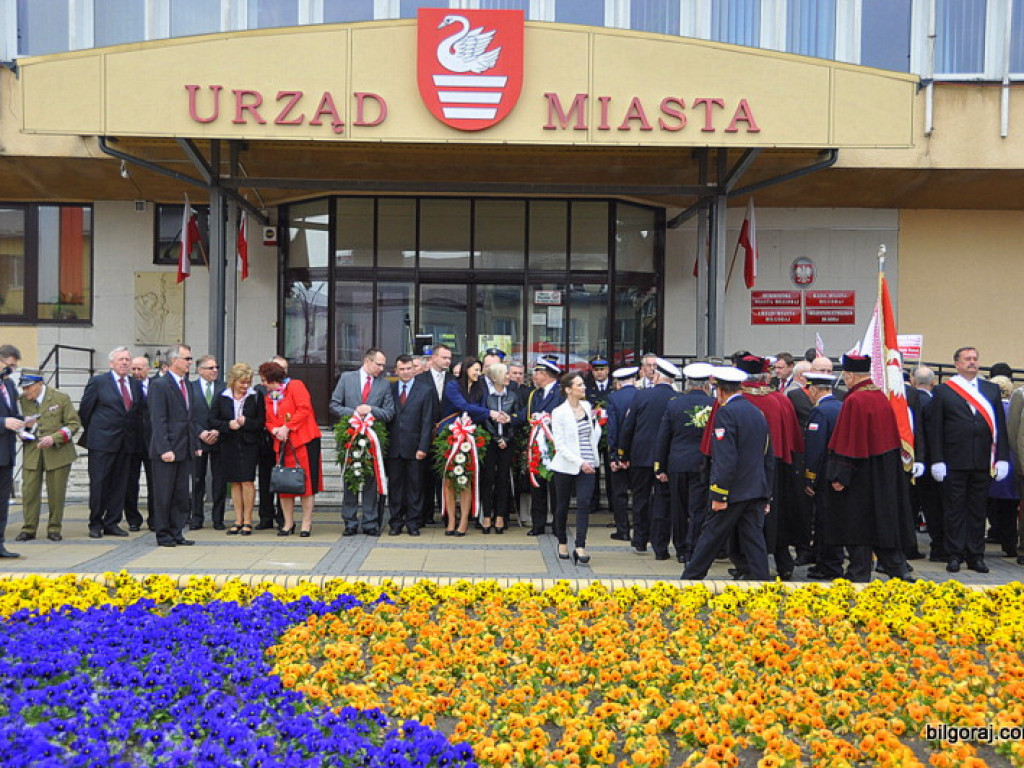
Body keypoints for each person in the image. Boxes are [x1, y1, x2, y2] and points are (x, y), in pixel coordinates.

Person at [824, 353, 915, 582]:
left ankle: (859, 573)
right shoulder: (880, 396)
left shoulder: (855, 400)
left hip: (861, 474)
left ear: (849, 375)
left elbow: (848, 441)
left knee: (858, 525)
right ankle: (897, 571)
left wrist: (839, 476)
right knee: (880, 524)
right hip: (883, 471)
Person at [682, 366, 773, 581]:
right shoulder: (757, 412)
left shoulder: (726, 413)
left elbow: (725, 458)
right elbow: (768, 455)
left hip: (733, 490)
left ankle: (690, 580)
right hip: (755, 488)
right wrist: (767, 492)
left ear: (720, 391)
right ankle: (763, 583)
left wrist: (719, 493)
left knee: (710, 536)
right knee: (754, 540)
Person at [927, 346, 1009, 574]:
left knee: (978, 511)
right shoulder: (944, 391)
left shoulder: (990, 389)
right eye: (967, 359)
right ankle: (954, 554)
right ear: (957, 364)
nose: (972, 362)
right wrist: (937, 460)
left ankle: (976, 555)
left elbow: (1000, 427)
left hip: (982, 461)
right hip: (953, 461)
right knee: (954, 511)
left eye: (975, 358)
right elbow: (935, 428)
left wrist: (1002, 458)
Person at [78, 345, 143, 539]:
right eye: (121, 359)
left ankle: (112, 522)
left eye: (127, 359)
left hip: (126, 443)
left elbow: (136, 413)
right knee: (100, 484)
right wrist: (98, 432)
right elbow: (85, 411)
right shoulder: (98, 382)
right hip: (102, 443)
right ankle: (95, 523)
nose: (125, 363)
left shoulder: (135, 384)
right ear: (111, 363)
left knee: (120, 485)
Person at [330, 348, 395, 536]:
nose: (382, 369)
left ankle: (370, 522)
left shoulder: (384, 384)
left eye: (383, 365)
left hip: (372, 439)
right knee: (350, 480)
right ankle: (350, 521)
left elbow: (389, 413)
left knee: (370, 482)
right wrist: (354, 413)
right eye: (379, 364)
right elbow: (334, 405)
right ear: (368, 361)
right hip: (350, 437)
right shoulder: (346, 378)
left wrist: (371, 409)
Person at [620, 358, 680, 559]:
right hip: (667, 458)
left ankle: (640, 539)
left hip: (641, 455)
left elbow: (628, 426)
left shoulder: (642, 395)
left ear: (657, 376)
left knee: (640, 499)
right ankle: (660, 544)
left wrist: (623, 452)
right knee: (663, 502)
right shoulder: (677, 398)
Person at [654, 362, 714, 564]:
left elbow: (663, 437)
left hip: (677, 463)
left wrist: (660, 466)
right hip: (703, 463)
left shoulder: (674, 404)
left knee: (678, 508)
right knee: (698, 509)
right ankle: (693, 548)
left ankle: (680, 548)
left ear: (688, 383)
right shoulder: (714, 404)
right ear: (707, 384)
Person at [440, 357, 506, 535]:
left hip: (471, 435)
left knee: (467, 479)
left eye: (479, 370)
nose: (478, 373)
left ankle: (463, 521)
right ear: (466, 369)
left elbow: (478, 414)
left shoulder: (480, 388)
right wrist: (489, 412)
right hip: (451, 435)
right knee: (450, 479)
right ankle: (451, 520)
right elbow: (462, 405)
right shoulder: (452, 386)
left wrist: (486, 413)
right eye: (475, 369)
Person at [15, 371, 80, 542]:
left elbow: (73, 424)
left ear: (39, 384)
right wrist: (24, 430)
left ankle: (54, 528)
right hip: (33, 451)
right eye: (23, 388)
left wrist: (54, 438)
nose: (25, 391)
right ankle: (29, 528)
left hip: (58, 453)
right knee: (29, 492)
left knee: (56, 493)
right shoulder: (22, 401)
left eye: (28, 387)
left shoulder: (60, 398)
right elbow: (19, 425)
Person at [263, 361, 324, 536]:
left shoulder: (295, 386)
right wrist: (275, 430)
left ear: (272, 379)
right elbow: (269, 419)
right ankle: (288, 523)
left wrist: (287, 427)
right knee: (284, 484)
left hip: (304, 441)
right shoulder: (270, 397)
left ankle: (306, 523)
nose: (263, 384)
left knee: (306, 484)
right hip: (283, 444)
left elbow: (304, 409)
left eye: (264, 380)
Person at [148, 344, 200, 548]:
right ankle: (163, 533)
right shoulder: (160, 385)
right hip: (167, 448)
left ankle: (177, 531)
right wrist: (164, 448)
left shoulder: (187, 385)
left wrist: (195, 443)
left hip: (184, 447)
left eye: (190, 358)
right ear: (173, 361)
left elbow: (191, 418)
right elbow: (158, 419)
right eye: (186, 359)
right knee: (164, 494)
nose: (190, 362)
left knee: (181, 494)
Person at [549, 370, 601, 564]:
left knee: (584, 503)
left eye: (583, 384)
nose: (583, 387)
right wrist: (580, 462)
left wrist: (590, 459)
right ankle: (562, 541)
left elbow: (592, 434)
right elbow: (560, 445)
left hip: (589, 463)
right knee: (562, 506)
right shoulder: (559, 412)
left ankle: (580, 545)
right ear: (568, 389)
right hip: (566, 465)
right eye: (579, 385)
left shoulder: (587, 407)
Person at [210, 362, 265, 536]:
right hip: (229, 443)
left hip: (250, 444)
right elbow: (213, 420)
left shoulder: (256, 396)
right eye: (242, 382)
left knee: (247, 481)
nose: (245, 386)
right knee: (234, 481)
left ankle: (248, 520)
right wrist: (228, 425)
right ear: (233, 381)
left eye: (248, 382)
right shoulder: (222, 396)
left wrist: (246, 422)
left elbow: (261, 422)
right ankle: (237, 520)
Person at [800, 372, 844, 579]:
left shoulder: (820, 412)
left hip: (825, 474)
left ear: (815, 390)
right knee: (833, 519)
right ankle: (824, 562)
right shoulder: (841, 407)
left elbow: (815, 448)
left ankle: (829, 566)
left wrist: (810, 477)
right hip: (839, 472)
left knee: (825, 520)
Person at [386, 354, 434, 536]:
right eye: (402, 369)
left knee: (415, 487)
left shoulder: (425, 390)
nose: (405, 372)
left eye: (408, 369)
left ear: (414, 370)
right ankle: (396, 523)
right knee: (395, 487)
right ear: (396, 371)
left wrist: (423, 447)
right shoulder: (390, 389)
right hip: (394, 447)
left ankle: (413, 523)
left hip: (415, 447)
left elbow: (427, 421)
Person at [415, 343, 454, 527]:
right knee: (424, 476)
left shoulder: (453, 380)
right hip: (425, 434)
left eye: (449, 358)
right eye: (444, 357)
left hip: (448, 435)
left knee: (445, 476)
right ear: (434, 358)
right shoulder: (420, 379)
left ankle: (447, 514)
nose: (447, 361)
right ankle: (425, 514)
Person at [479, 362, 520, 534]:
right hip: (490, 443)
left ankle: (500, 516)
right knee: (488, 478)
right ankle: (487, 515)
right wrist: (497, 438)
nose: (508, 377)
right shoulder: (487, 397)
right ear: (495, 378)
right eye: (505, 374)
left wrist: (507, 437)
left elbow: (516, 418)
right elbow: (485, 420)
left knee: (503, 479)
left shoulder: (513, 396)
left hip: (507, 443)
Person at [524, 358, 563, 535]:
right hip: (537, 446)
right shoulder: (535, 394)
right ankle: (538, 525)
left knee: (556, 488)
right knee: (537, 485)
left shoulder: (561, 393)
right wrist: (508, 418)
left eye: (537, 374)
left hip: (554, 445)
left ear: (545, 375)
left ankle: (558, 524)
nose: (534, 377)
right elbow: (527, 415)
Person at [190, 354, 226, 530]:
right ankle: (196, 517)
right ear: (199, 370)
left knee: (219, 481)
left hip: (219, 439)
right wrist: (200, 432)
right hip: (198, 440)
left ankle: (218, 519)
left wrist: (218, 430)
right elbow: (187, 415)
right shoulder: (190, 388)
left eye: (216, 367)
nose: (215, 371)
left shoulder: (224, 387)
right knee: (197, 480)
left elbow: (229, 412)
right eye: (210, 368)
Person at [254, 354, 288, 531]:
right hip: (266, 440)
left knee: (283, 480)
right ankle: (265, 516)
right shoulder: (260, 389)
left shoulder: (290, 387)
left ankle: (283, 517)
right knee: (265, 479)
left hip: (285, 441)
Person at [986, 376, 1018, 558]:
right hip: (1012, 463)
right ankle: (1010, 544)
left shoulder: (989, 411)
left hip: (990, 462)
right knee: (1009, 510)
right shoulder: (1015, 410)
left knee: (983, 506)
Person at [606, 366, 638, 542]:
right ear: (634, 379)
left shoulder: (614, 398)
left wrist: (614, 454)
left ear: (618, 382)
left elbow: (613, 429)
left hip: (620, 451)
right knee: (640, 494)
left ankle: (623, 530)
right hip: (640, 453)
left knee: (619, 493)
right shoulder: (642, 395)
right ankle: (641, 531)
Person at [123, 356, 153, 532]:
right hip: (131, 442)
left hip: (152, 442)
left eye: (139, 369)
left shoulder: (156, 385)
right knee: (130, 483)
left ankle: (155, 518)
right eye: (133, 369)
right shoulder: (125, 386)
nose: (136, 373)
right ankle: (133, 519)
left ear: (148, 369)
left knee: (154, 483)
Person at [0, 356, 24, 558]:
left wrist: (23, 422)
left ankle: (0, 544)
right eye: (8, 364)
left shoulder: (8, 384)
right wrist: (3, 422)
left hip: (6, 453)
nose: (10, 368)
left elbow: (13, 413)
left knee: (2, 502)